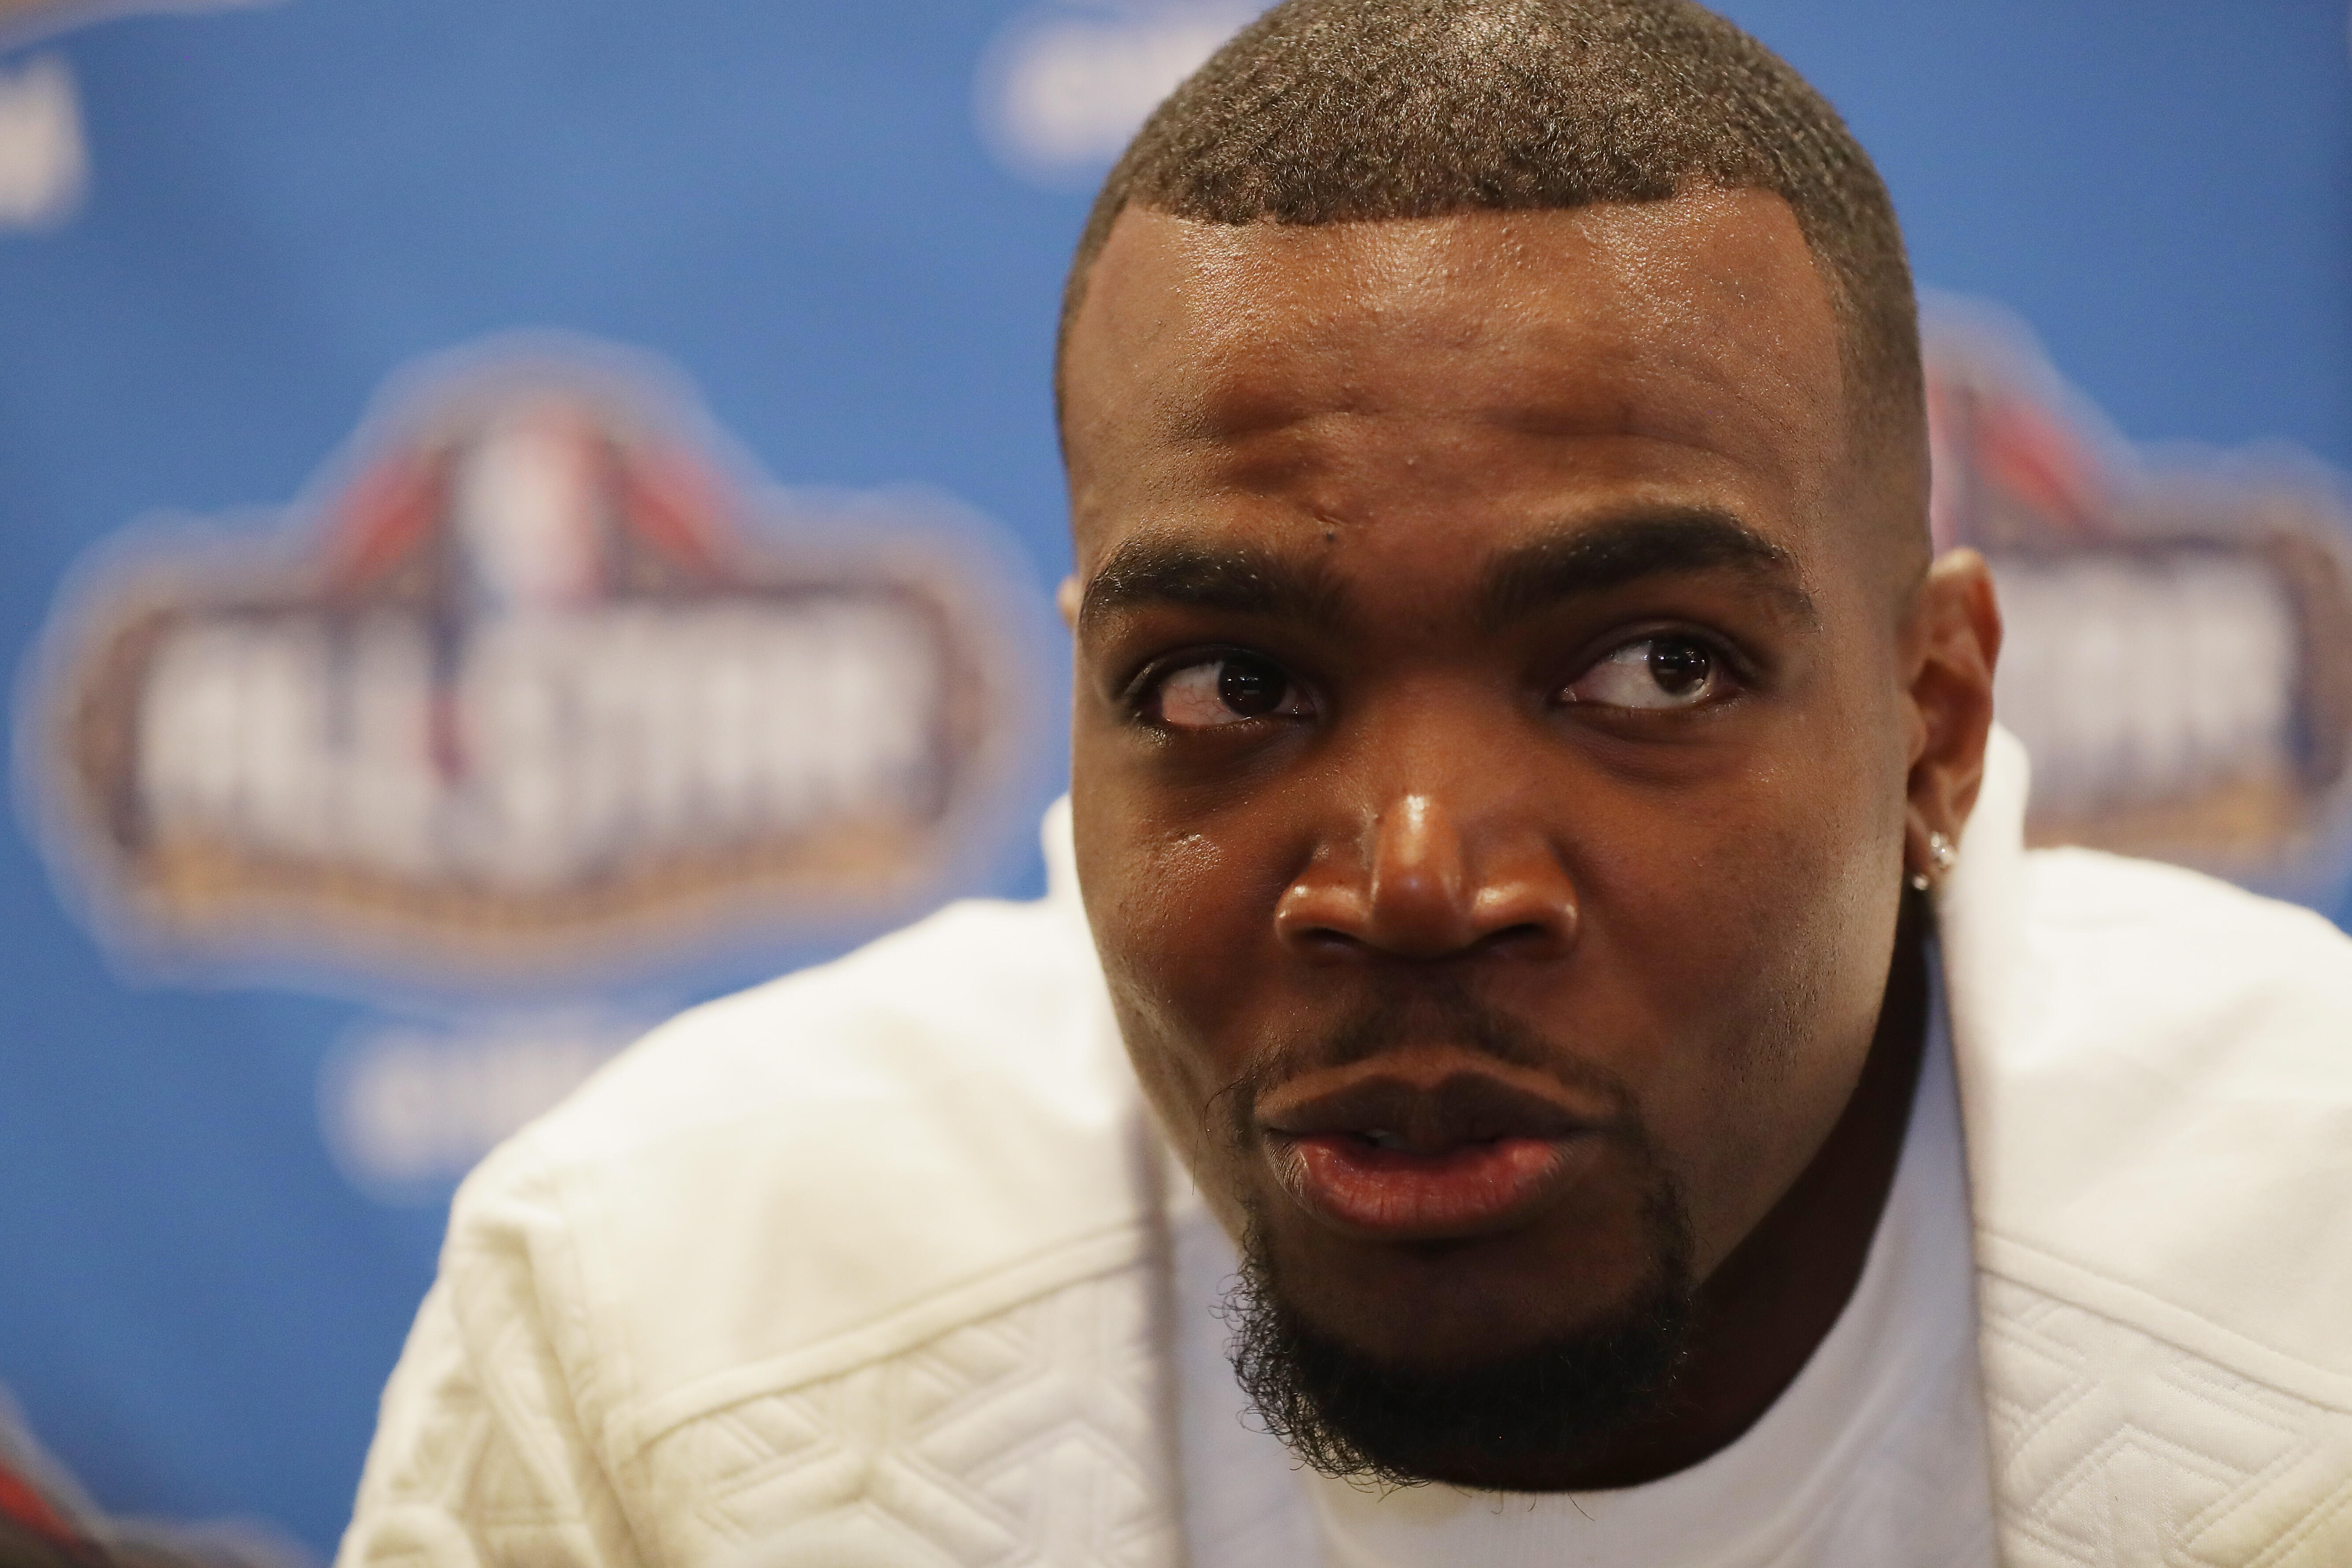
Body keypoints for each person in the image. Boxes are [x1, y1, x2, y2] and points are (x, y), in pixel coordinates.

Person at [337, 1, 2352, 1563]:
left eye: (1653, 666)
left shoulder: (2307, 1292)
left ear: (1936, 723)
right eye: (1227, 681)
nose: (1414, 878)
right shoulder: (667, 1327)